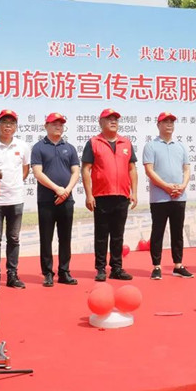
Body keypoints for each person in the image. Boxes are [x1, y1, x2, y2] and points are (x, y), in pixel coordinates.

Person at [81, 108, 138, 281]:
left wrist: (134, 192)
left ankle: (117, 268)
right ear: (101, 122)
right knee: (101, 235)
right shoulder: (94, 142)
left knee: (118, 235)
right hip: (101, 196)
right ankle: (100, 269)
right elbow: (86, 169)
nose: (113, 121)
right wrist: (89, 195)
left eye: (116, 119)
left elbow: (132, 169)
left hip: (122, 196)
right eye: (109, 119)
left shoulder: (126, 143)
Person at [31, 112, 80, 287]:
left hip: (66, 199)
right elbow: (38, 173)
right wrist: (57, 189)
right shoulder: (38, 147)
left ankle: (64, 272)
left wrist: (66, 191)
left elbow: (76, 171)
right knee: (46, 238)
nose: (58, 127)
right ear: (46, 126)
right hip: (46, 200)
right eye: (54, 124)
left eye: (60, 124)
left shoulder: (70, 147)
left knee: (65, 237)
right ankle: (47, 273)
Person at [142, 112, 192, 280]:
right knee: (158, 231)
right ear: (158, 125)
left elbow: (186, 169)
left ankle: (178, 265)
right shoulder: (151, 146)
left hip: (179, 196)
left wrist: (182, 186)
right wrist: (166, 187)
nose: (169, 124)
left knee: (177, 231)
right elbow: (149, 170)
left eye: (172, 121)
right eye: (165, 121)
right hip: (159, 197)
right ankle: (156, 266)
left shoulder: (181, 146)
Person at [0, 109, 29, 289]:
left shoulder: (22, 146)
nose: (8, 126)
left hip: (16, 198)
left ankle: (12, 274)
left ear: (16, 126)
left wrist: (14, 185)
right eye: (4, 122)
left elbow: (25, 170)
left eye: (12, 123)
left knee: (13, 238)